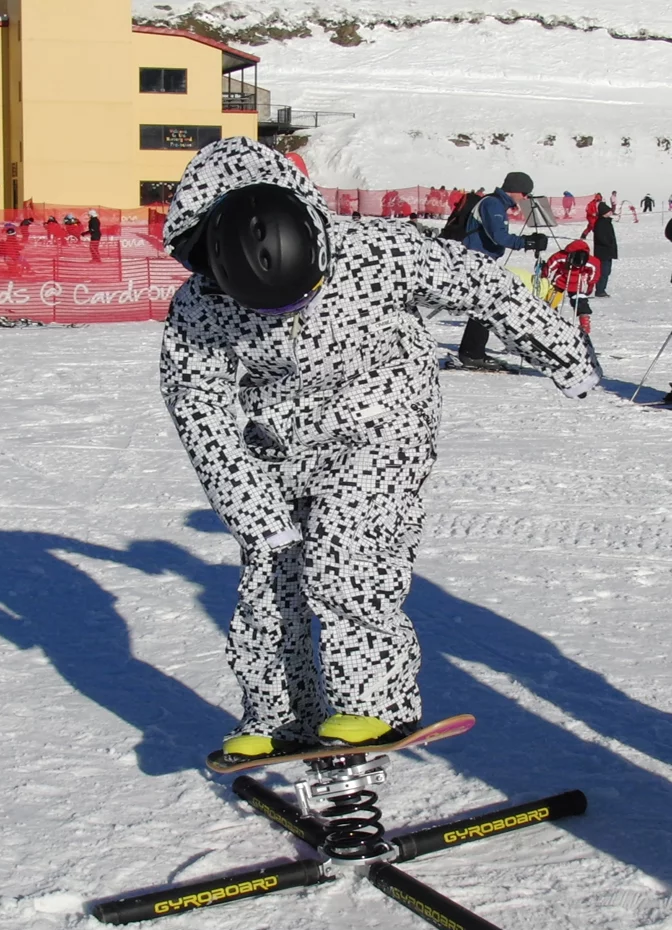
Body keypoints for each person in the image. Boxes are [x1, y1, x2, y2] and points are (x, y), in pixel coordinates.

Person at [160, 136, 601, 759]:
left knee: (348, 555)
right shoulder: (200, 305)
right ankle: (280, 714)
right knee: (271, 568)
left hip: (383, 420)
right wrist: (252, 510)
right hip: (283, 437)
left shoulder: (379, 252)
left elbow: (486, 286)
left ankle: (374, 704)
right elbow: (196, 401)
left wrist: (562, 353)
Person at [457, 171, 549, 371]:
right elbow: (499, 236)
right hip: (476, 261)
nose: (525, 198)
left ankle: (472, 352)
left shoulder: (497, 204)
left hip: (483, 261)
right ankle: (472, 354)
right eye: (524, 193)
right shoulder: (493, 204)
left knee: (485, 307)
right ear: (515, 190)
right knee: (486, 307)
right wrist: (527, 242)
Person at [542, 239, 601, 338]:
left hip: (578, 283)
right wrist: (545, 278)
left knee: (580, 301)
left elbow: (594, 272)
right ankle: (550, 319)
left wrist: (590, 284)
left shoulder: (591, 261)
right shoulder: (561, 256)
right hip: (561, 281)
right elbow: (550, 266)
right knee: (552, 299)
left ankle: (585, 324)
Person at [593, 202, 618, 297]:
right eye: (608, 211)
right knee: (603, 272)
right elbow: (601, 237)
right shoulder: (600, 223)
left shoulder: (607, 222)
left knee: (607, 272)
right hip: (603, 252)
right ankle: (600, 290)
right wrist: (609, 244)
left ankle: (601, 289)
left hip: (608, 252)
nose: (610, 212)